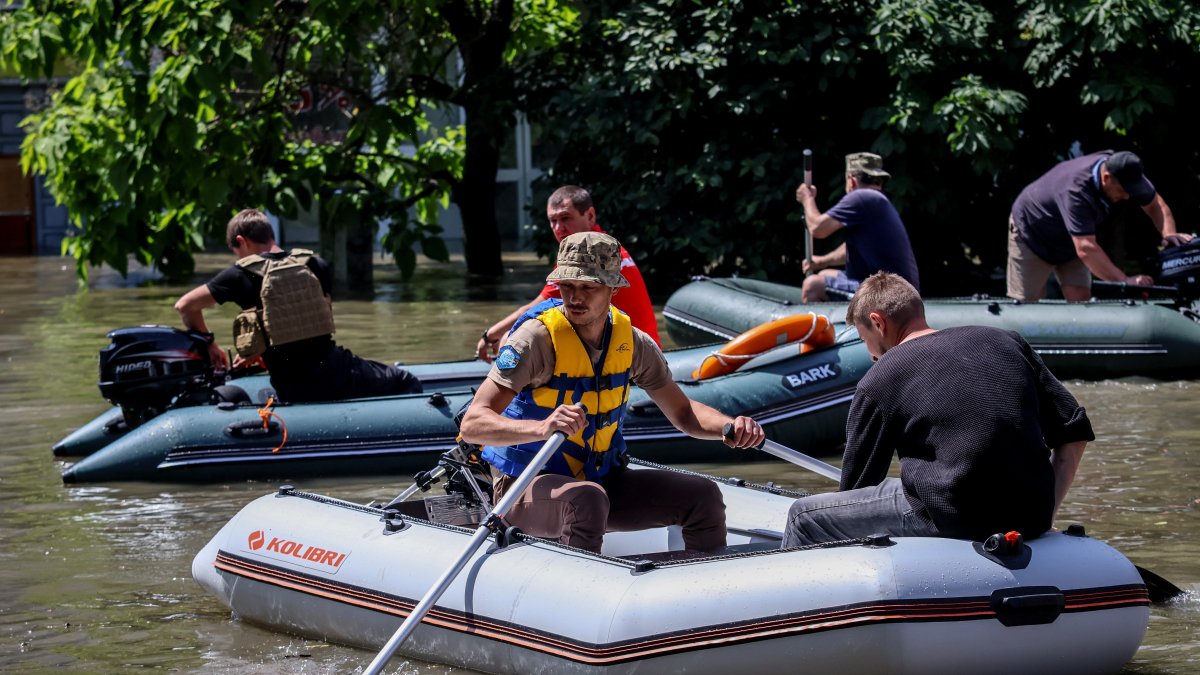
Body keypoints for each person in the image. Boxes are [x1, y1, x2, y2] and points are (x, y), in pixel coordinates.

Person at [460, 231, 765, 554]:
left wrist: (729, 427)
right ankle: (578, 580)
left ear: (613, 288)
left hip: (600, 481)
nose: (575, 297)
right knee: (586, 500)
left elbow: (684, 414)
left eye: (588, 287)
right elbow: (473, 424)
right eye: (567, 285)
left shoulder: (633, 343)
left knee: (703, 496)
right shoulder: (534, 341)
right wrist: (542, 428)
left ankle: (704, 579)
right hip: (523, 486)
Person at [782, 272, 1094, 547]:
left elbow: (853, 495)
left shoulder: (881, 377)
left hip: (952, 515)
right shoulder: (1006, 341)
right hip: (1033, 516)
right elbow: (1075, 433)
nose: (872, 355)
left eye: (866, 340)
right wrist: (1042, 517)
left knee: (802, 517)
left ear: (878, 322)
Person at [174, 208, 422, 402]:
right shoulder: (315, 264)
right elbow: (309, 329)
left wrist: (210, 344)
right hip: (336, 373)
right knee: (406, 381)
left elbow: (185, 306)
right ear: (270, 235)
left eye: (236, 251)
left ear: (242, 241)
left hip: (292, 386)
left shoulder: (238, 275)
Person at [475, 185, 660, 362]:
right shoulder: (610, 248)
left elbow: (533, 309)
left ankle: (510, 383)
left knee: (511, 337)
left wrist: (490, 336)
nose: (558, 228)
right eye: (553, 220)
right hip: (645, 353)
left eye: (565, 218)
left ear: (590, 215)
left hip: (632, 360)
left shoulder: (586, 257)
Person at [1008, 149, 1193, 302]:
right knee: (1026, 304)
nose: (1127, 196)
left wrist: (1169, 234)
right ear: (1106, 178)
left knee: (1080, 298)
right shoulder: (1075, 190)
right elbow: (1086, 249)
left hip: (1072, 239)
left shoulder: (1126, 171)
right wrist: (1124, 280)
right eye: (1123, 191)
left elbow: (1155, 204)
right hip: (1033, 233)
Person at [794, 152, 920, 302]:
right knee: (824, 274)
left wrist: (807, 198)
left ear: (851, 180)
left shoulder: (862, 197)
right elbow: (851, 248)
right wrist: (823, 261)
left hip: (892, 296)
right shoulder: (876, 201)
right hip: (897, 290)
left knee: (812, 286)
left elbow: (817, 228)